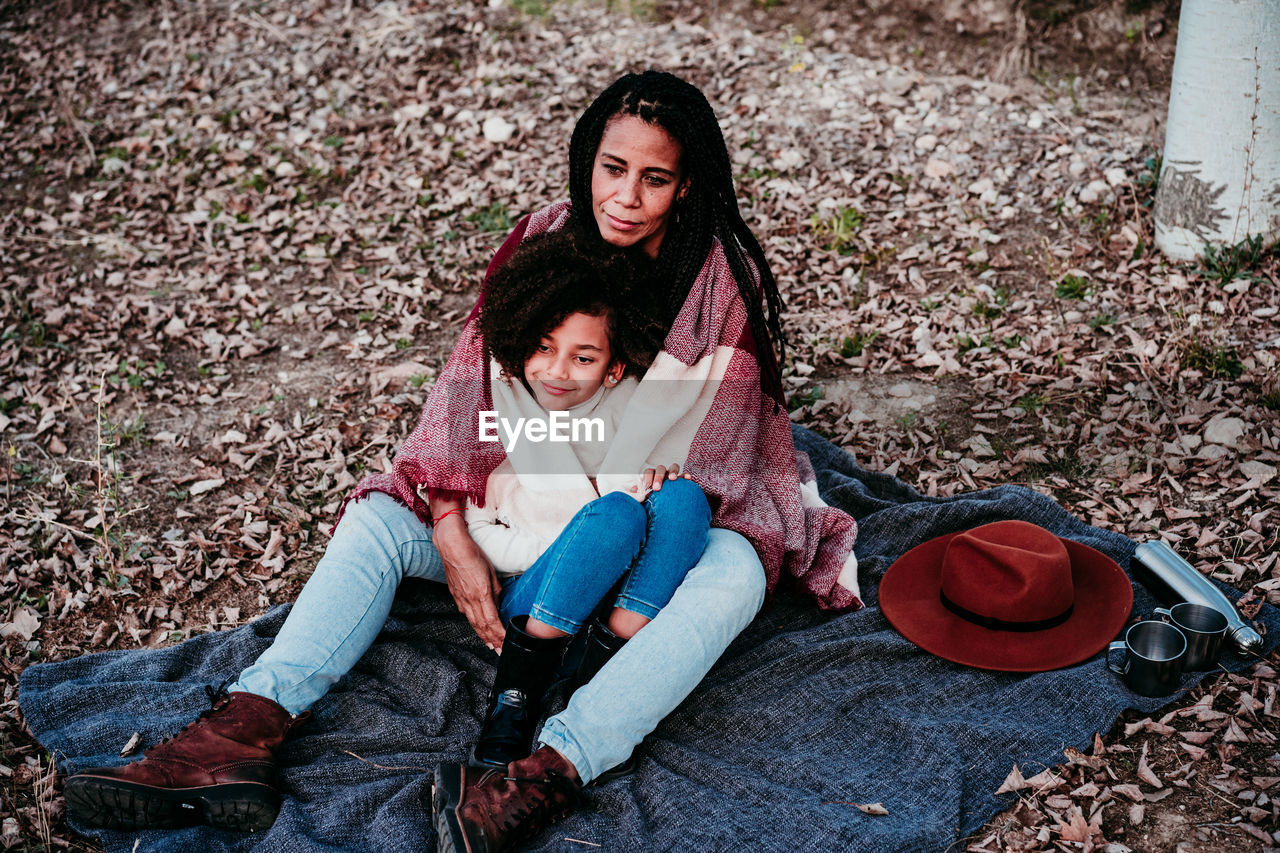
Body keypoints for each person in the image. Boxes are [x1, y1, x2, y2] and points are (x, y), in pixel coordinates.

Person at [62, 70, 861, 845]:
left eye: (654, 179)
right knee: (380, 517)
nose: (625, 196)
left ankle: (542, 771)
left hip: (648, 527)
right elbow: (466, 397)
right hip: (520, 500)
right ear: (589, 161)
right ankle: (242, 731)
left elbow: (721, 443)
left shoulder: (723, 279)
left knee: (738, 568)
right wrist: (448, 526)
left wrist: (661, 486)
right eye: (612, 169)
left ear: (686, 186)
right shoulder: (544, 237)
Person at [463, 228, 711, 770]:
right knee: (612, 518)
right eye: (545, 348)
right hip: (538, 601)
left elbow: (660, 461)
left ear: (613, 368)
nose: (556, 371)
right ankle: (516, 700)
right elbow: (477, 530)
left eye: (583, 358)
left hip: (617, 601)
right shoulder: (500, 421)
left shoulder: (629, 407)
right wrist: (572, 547)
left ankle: (599, 673)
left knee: (685, 500)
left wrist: (662, 477)